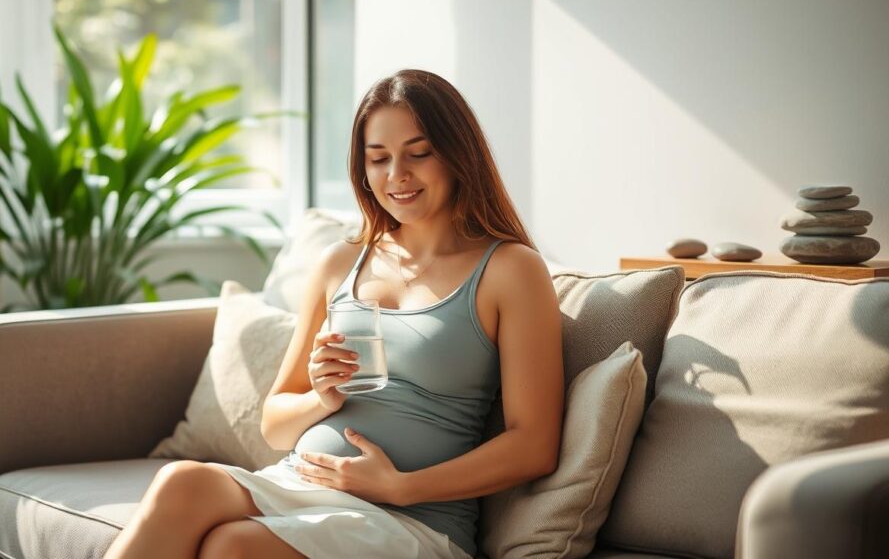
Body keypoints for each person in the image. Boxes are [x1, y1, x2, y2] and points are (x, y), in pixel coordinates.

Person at [103, 69, 564, 559]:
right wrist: (322, 396)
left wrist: (400, 487)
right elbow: (276, 426)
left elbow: (534, 443)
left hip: (411, 518)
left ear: (457, 154)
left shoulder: (511, 270)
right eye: (378, 158)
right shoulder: (342, 262)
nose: (396, 175)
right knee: (183, 482)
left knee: (235, 546)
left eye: (419, 152)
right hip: (299, 484)